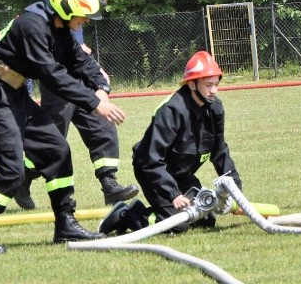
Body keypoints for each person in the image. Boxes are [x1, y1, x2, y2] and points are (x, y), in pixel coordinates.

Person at [0, 0, 126, 255]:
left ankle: (65, 223)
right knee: (11, 169)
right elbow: (53, 75)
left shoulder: (58, 26)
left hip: (14, 92)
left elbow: (78, 60)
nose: (85, 22)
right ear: (67, 7)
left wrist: (101, 85)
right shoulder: (32, 26)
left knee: (57, 150)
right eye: (83, 16)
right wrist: (94, 103)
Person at [14, 0, 139, 210]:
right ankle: (23, 179)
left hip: (80, 78)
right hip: (58, 84)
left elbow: (77, 54)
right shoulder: (37, 18)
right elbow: (51, 65)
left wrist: (99, 82)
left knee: (102, 126)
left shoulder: (73, 8)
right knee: (52, 141)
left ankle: (110, 185)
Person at [98, 50, 243, 236]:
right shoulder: (172, 110)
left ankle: (156, 212)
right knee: (177, 225)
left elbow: (220, 151)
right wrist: (173, 193)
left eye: (216, 84)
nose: (213, 90)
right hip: (153, 170)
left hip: (182, 173)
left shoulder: (215, 109)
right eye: (208, 85)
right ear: (192, 84)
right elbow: (151, 159)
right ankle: (128, 214)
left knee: (205, 218)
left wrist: (236, 191)